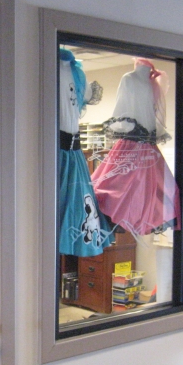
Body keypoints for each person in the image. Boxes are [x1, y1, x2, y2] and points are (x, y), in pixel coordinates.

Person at [91, 58, 181, 236]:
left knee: (154, 190)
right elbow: (123, 110)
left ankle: (134, 218)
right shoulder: (131, 79)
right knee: (122, 187)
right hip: (135, 143)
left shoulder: (150, 83)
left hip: (143, 145)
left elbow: (124, 111)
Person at [58, 48, 113, 257]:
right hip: (57, 151)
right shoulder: (48, 70)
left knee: (79, 205)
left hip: (75, 152)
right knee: (60, 203)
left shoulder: (78, 74)